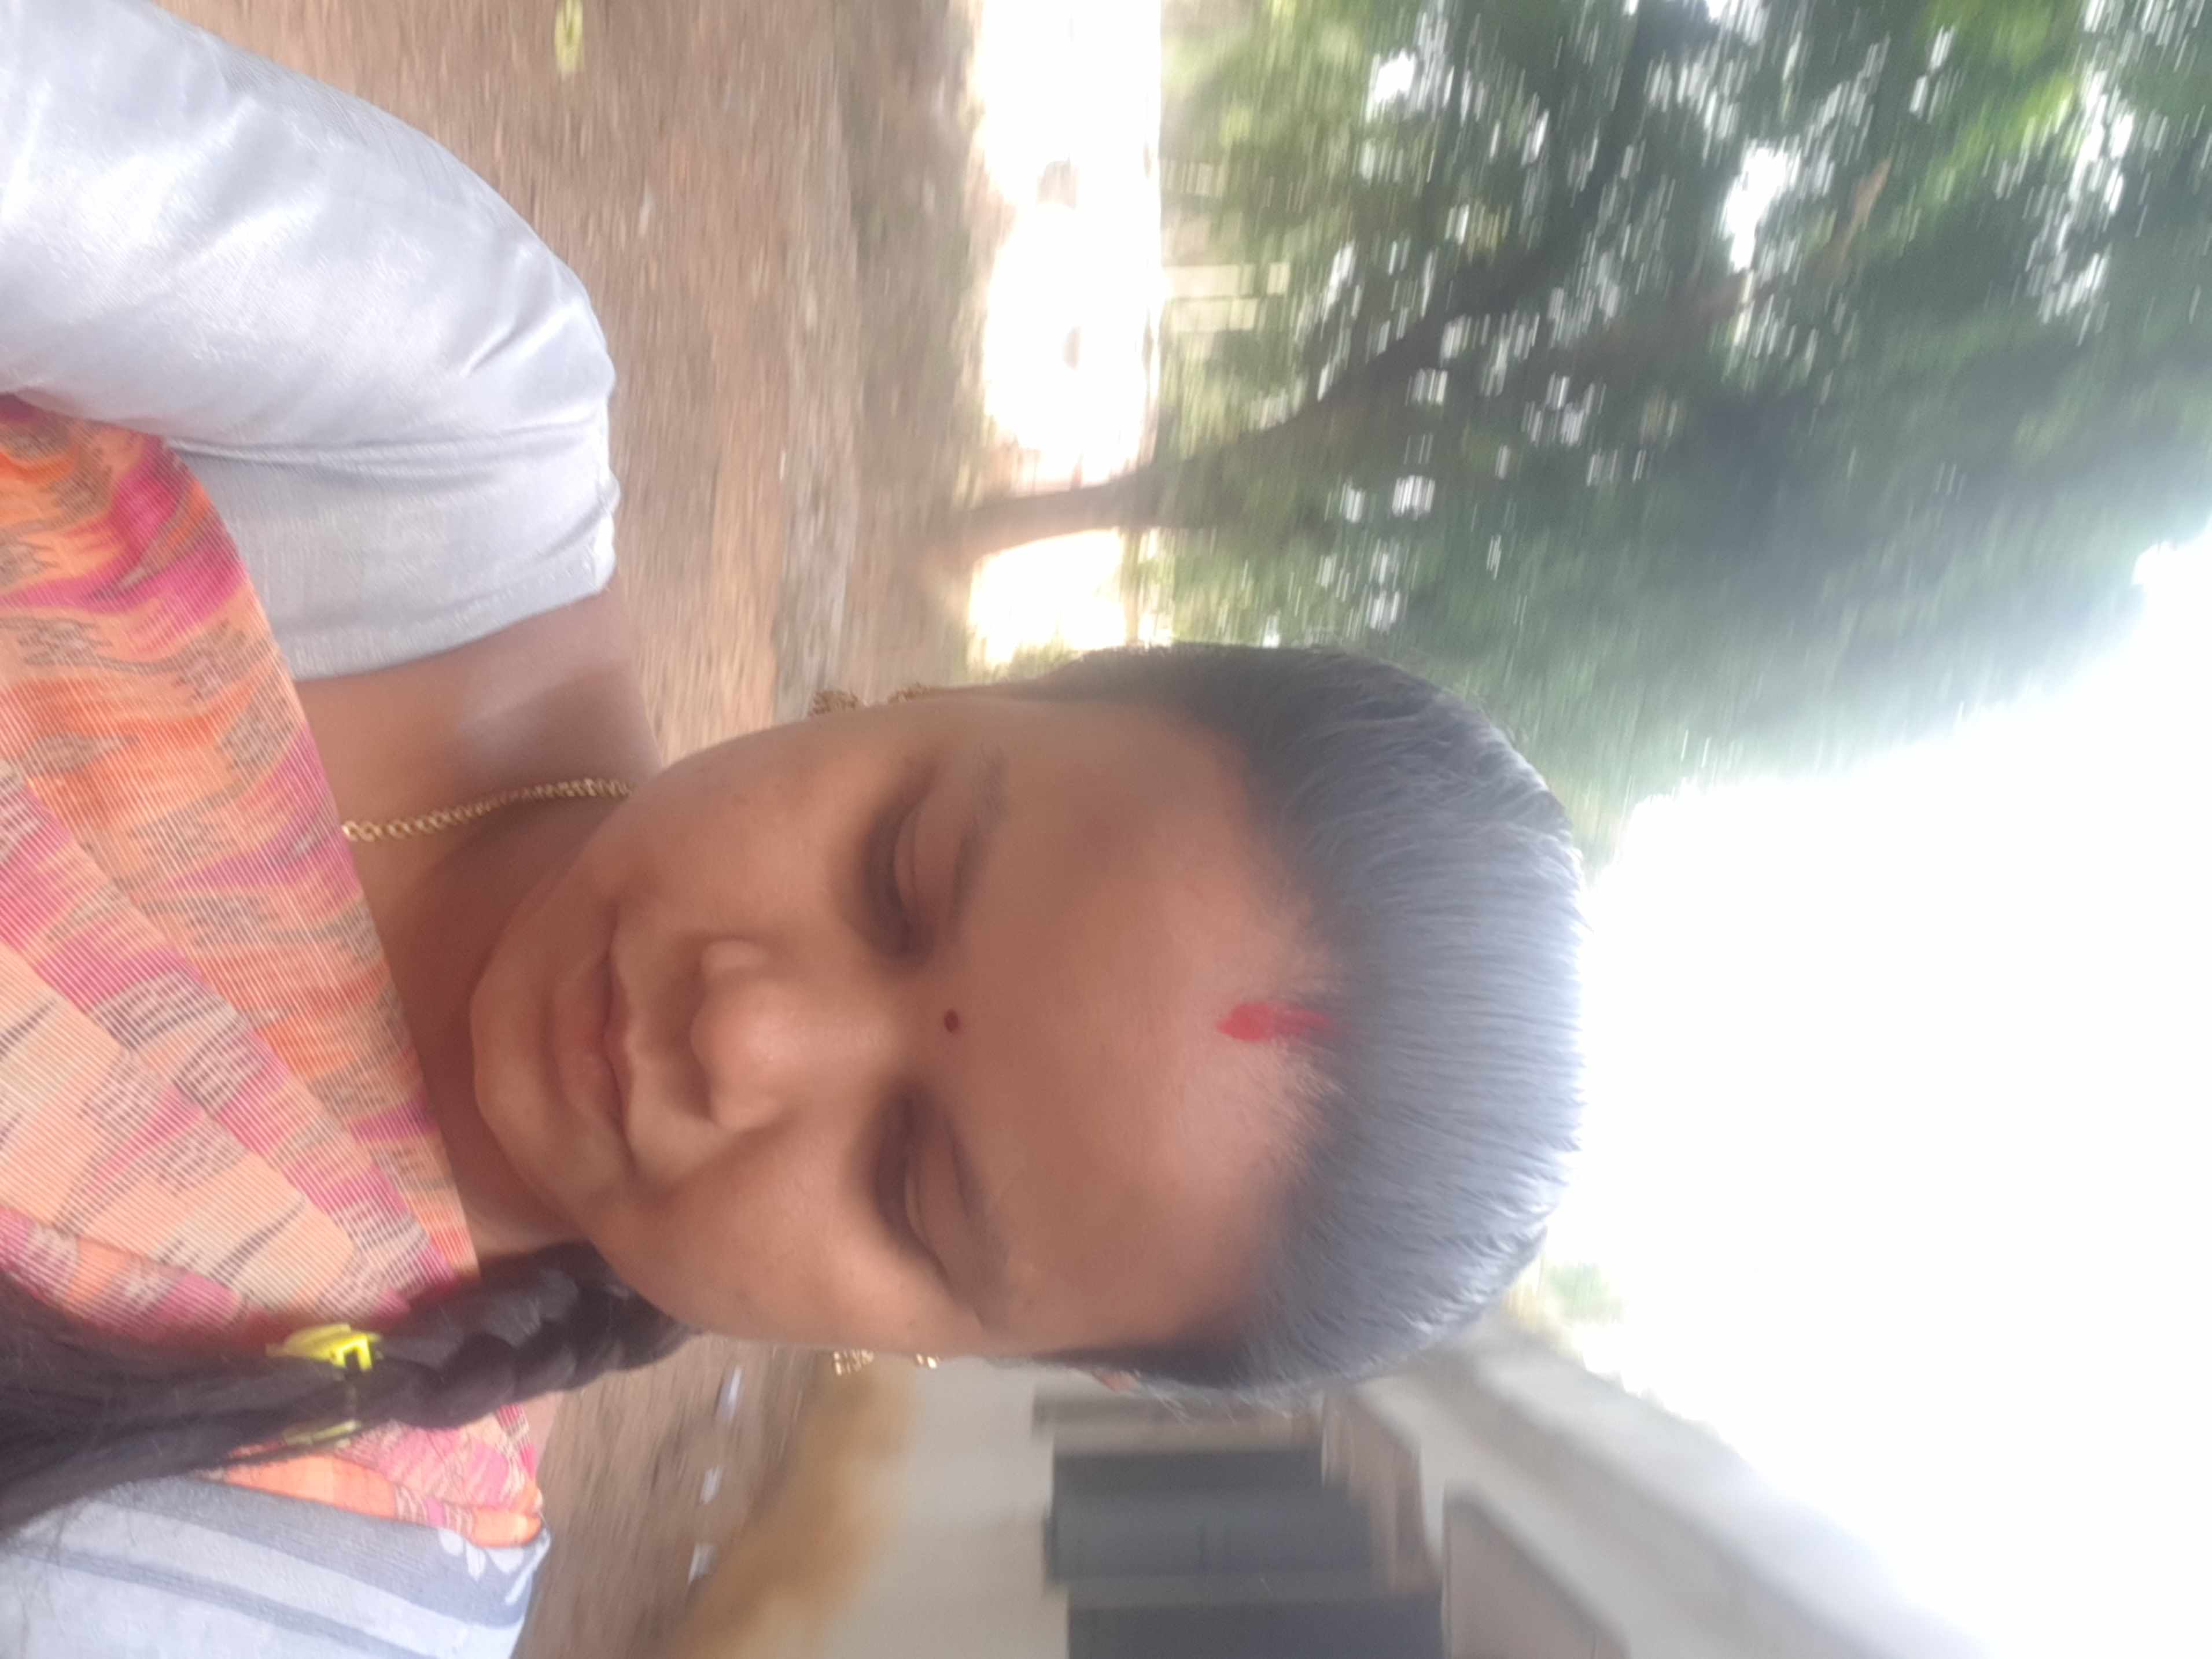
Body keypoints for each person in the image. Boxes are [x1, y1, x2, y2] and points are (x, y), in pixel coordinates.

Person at [0, 1, 1584, 1653]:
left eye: (911, 1186)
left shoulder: (304, 1586)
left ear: (974, 1354)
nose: (741, 1033)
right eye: (898, 874)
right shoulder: (430, 406)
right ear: (947, 691)